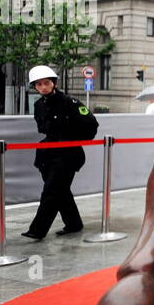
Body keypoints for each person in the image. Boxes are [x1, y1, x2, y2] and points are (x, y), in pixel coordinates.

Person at [21, 65, 93, 239]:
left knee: (51, 192)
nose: (43, 87)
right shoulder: (38, 105)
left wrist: (72, 139)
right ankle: (74, 223)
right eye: (39, 84)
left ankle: (38, 230)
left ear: (53, 83)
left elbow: (91, 125)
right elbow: (43, 129)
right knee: (60, 191)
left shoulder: (70, 102)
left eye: (46, 83)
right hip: (47, 154)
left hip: (68, 154)